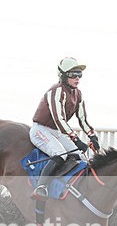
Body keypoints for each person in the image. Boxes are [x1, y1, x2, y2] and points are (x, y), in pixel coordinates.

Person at [30, 57, 101, 199]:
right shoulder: (55, 91)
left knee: (79, 157)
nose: (77, 78)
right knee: (60, 154)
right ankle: (41, 187)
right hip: (41, 130)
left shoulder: (78, 94)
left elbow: (83, 119)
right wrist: (76, 139)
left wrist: (92, 135)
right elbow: (59, 119)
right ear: (63, 76)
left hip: (56, 132)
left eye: (79, 75)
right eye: (73, 75)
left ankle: (63, 185)